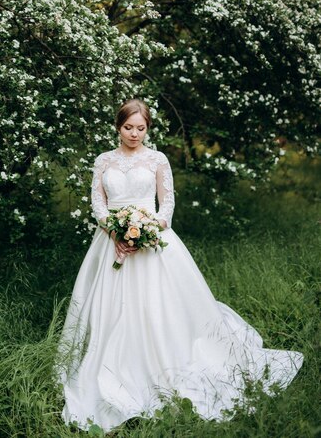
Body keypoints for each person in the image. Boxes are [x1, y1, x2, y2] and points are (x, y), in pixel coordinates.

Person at [56, 98, 303, 433]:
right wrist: (113, 228)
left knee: (160, 308)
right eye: (129, 127)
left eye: (141, 128)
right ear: (118, 126)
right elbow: (98, 200)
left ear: (148, 128)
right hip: (111, 242)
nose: (134, 134)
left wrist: (150, 228)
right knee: (108, 308)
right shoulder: (104, 161)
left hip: (153, 241)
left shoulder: (157, 159)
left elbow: (167, 200)